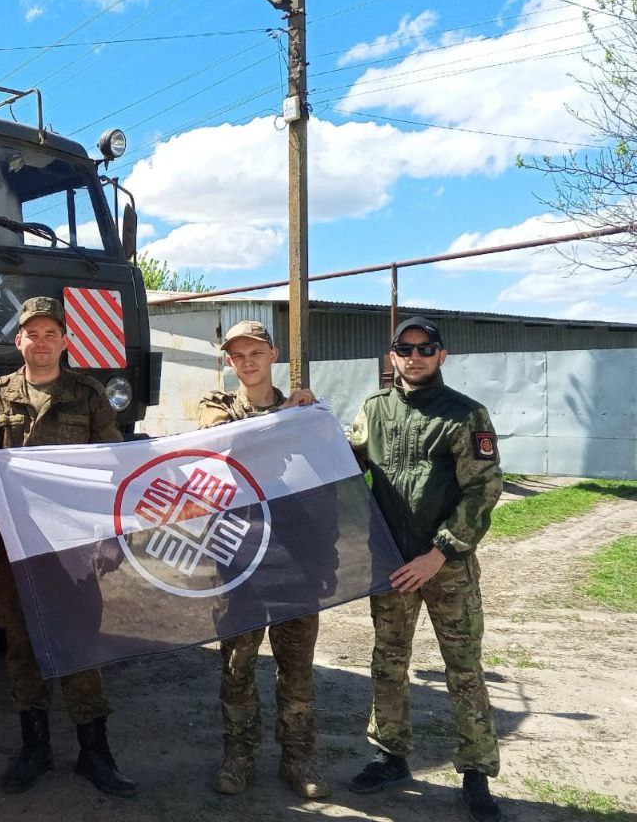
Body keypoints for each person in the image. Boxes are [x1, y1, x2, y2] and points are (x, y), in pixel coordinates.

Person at [0, 296, 138, 799]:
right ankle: (35, 748)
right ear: (18, 340)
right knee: (22, 647)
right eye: (32, 334)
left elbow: (114, 467)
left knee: (80, 643)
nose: (41, 343)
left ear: (65, 342)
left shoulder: (87, 395)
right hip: (15, 548)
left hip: (73, 546)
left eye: (50, 335)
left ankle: (95, 752)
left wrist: (111, 538)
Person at [347, 316, 504, 822]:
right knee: (388, 662)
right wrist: (302, 418)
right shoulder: (374, 410)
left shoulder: (465, 415)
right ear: (392, 356)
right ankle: (390, 755)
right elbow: (344, 465)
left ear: (441, 355)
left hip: (445, 566)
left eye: (425, 347)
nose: (414, 356)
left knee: (464, 669)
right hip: (392, 567)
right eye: (405, 348)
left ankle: (476, 772)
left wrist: (438, 553)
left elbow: (483, 490)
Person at [194, 320, 329, 800]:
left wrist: (328, 558)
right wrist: (286, 417)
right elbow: (224, 443)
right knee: (237, 667)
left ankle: (299, 759)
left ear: (273, 355)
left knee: (297, 670)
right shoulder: (218, 407)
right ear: (229, 363)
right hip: (238, 560)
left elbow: (327, 485)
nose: (247, 363)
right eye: (237, 356)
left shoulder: (303, 413)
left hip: (294, 560)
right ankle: (239, 758)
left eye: (255, 353)